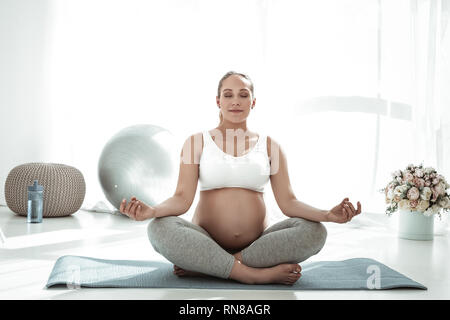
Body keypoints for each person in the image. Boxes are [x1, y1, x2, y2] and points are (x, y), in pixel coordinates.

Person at [119, 71, 362, 285]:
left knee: (315, 231)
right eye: (228, 95)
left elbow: (289, 203)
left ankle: (213, 267)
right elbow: (181, 199)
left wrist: (328, 215)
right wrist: (152, 212)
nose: (236, 101)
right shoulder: (196, 142)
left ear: (253, 102)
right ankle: (253, 275)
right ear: (217, 101)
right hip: (204, 241)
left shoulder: (270, 146)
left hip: (257, 247)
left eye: (243, 95)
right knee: (159, 227)